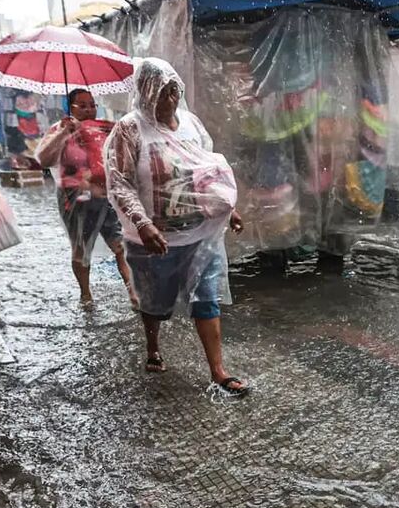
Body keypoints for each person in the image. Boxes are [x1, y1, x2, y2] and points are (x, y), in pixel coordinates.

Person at [105, 58, 248, 395]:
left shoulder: (191, 124)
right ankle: (153, 346)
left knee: (206, 298)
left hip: (200, 234)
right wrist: (142, 224)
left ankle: (218, 370)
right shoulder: (129, 129)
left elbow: (208, 171)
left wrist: (228, 208)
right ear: (144, 92)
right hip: (153, 240)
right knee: (154, 302)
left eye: (173, 91)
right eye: (161, 92)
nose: (169, 99)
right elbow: (120, 183)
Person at [36, 89, 137, 307]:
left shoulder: (104, 128)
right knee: (81, 249)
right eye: (82, 106)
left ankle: (133, 292)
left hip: (108, 195)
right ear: (70, 107)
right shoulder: (60, 129)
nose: (89, 110)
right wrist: (65, 133)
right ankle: (86, 294)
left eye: (92, 105)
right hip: (76, 199)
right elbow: (44, 159)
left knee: (121, 245)